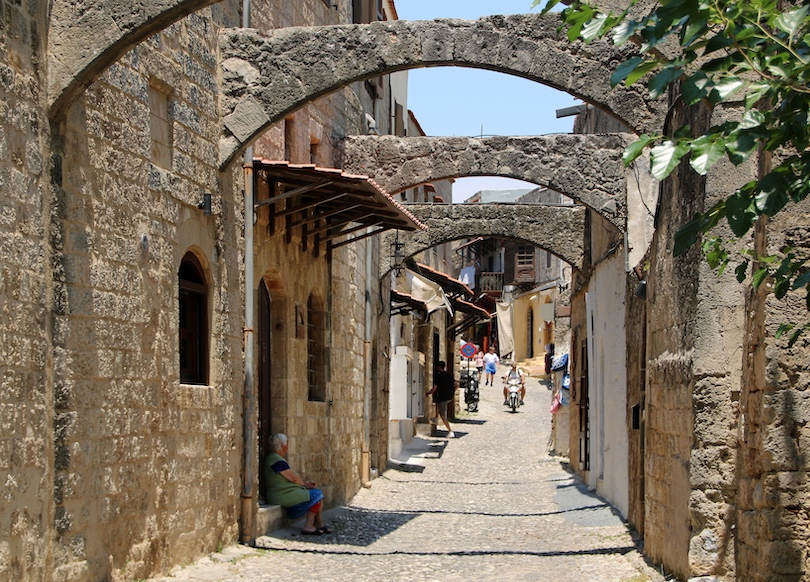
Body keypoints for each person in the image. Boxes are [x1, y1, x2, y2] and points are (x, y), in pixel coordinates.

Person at [263, 433, 332, 535]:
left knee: (318, 496)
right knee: (316, 494)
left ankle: (318, 523)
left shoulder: (276, 458)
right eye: (286, 443)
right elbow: (293, 478)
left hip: (286, 492)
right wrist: (305, 484)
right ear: (282, 445)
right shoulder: (274, 459)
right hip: (281, 495)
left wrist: (306, 484)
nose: (287, 446)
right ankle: (308, 526)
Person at [428, 361, 458, 438]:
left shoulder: (439, 376)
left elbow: (435, 388)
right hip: (448, 397)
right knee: (437, 404)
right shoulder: (449, 375)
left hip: (443, 397)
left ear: (439, 367)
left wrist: (428, 393)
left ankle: (450, 431)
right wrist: (452, 392)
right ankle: (435, 418)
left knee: (443, 415)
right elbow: (457, 385)